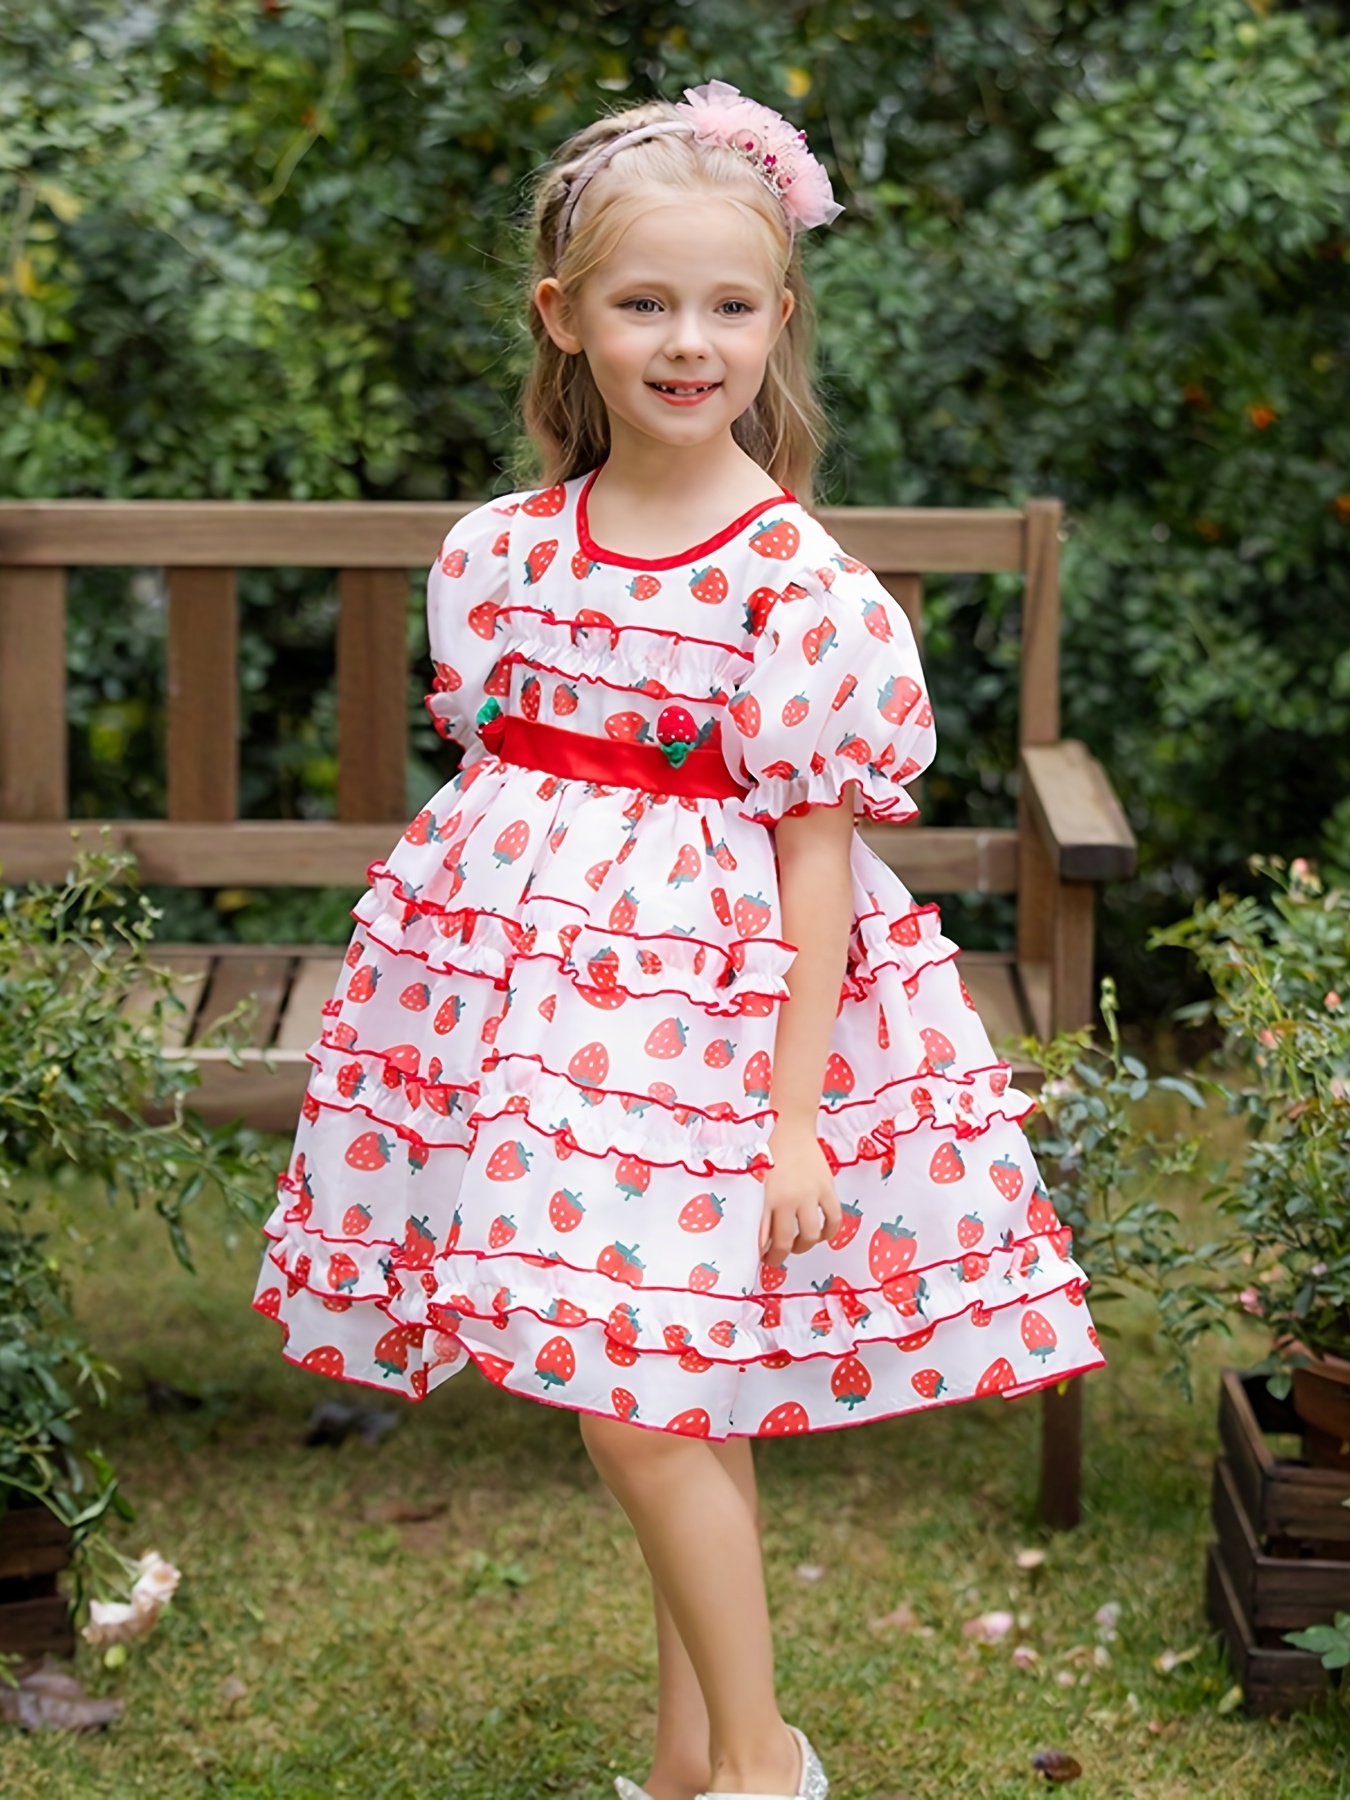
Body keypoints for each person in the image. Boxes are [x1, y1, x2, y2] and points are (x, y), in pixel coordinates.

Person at [252, 79, 1104, 1800]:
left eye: (727, 304)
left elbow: (814, 865)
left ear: (778, 318)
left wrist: (793, 1121)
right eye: (644, 303)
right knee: (657, 1383)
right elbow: (516, 796)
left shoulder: (791, 582)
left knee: (631, 1399)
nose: (686, 341)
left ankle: (764, 1768)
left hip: (714, 1034)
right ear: (565, 320)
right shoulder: (502, 554)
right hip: (540, 1027)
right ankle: (692, 1766)